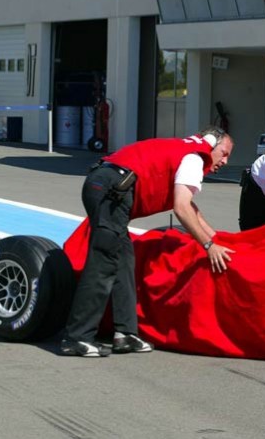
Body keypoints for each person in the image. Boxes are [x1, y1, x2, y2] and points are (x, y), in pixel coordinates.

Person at [61, 126, 235, 357]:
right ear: (211, 143)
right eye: (223, 153)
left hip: (110, 187)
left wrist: (216, 237)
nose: (225, 160)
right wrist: (208, 246)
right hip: (112, 190)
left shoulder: (187, 150)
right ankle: (76, 337)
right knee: (104, 262)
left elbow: (191, 207)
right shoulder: (194, 158)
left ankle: (125, 334)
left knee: (124, 262)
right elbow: (181, 208)